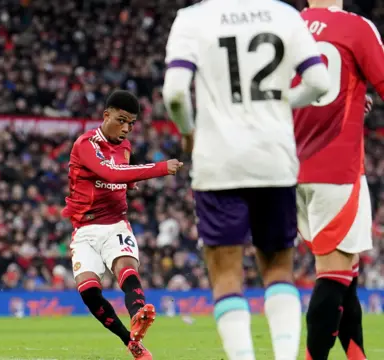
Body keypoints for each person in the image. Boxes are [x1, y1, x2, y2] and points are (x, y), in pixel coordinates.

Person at [162, 0, 331, 359]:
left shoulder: (193, 19)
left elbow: (175, 92)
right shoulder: (285, 14)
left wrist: (189, 132)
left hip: (218, 162)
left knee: (226, 275)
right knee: (278, 270)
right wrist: (286, 103)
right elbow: (319, 81)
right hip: (274, 157)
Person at [292, 1, 384, 359]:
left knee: (346, 270)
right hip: (336, 166)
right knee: (333, 274)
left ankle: (357, 356)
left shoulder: (286, 26)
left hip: (291, 169)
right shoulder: (356, 27)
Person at [62, 90, 183, 360]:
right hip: (84, 230)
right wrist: (160, 167)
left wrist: (131, 184)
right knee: (89, 293)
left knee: (125, 268)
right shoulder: (86, 144)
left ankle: (139, 313)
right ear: (106, 116)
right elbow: (108, 172)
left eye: (131, 123)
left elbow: (120, 178)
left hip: (115, 223)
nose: (127, 128)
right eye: (122, 120)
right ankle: (131, 342)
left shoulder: (124, 148)